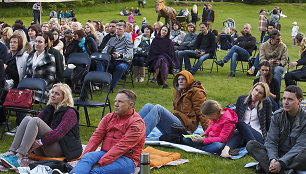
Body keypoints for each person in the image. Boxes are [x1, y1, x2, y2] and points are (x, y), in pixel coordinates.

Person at [0, 83, 82, 168]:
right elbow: (32, 125)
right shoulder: (50, 108)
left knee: (35, 120)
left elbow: (58, 133)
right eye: (52, 92)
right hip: (45, 147)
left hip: (63, 150)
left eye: (57, 94)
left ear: (64, 97)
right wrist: (33, 140)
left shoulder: (70, 112)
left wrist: (40, 142)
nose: (53, 95)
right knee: (28, 119)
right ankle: (11, 153)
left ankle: (19, 157)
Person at [70, 89, 145, 174]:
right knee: (87, 158)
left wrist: (100, 163)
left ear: (130, 105)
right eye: (115, 101)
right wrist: (84, 156)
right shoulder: (109, 117)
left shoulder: (137, 124)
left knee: (98, 171)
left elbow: (121, 147)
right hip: (105, 153)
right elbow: (96, 137)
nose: (116, 105)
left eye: (120, 102)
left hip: (127, 159)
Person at [246, 85, 306, 174]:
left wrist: (281, 163)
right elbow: (271, 141)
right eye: (284, 98)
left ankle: (266, 167)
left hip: (295, 156)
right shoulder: (277, 116)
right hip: (278, 153)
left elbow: (300, 146)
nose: (285, 102)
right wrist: (273, 159)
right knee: (251, 145)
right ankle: (283, 171)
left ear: (299, 101)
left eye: (290, 99)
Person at [139, 70, 209, 137]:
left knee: (158, 109)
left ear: (189, 80)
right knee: (148, 106)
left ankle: (139, 138)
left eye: (183, 79)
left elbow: (202, 114)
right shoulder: (179, 90)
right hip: (175, 124)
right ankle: (129, 129)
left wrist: (208, 133)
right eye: (179, 79)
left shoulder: (197, 92)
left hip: (185, 129)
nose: (180, 81)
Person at [221, 82, 272, 158]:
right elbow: (237, 117)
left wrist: (269, 140)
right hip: (241, 132)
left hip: (257, 135)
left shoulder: (266, 103)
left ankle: (254, 146)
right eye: (256, 90)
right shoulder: (241, 99)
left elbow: (269, 122)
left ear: (263, 96)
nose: (256, 93)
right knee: (240, 128)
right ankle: (225, 150)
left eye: (260, 93)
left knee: (240, 124)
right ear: (252, 89)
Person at [98, 22, 133, 90]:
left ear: (124, 30)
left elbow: (130, 56)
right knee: (100, 60)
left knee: (120, 67)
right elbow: (104, 51)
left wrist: (120, 55)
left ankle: (112, 86)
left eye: (120, 29)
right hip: (112, 60)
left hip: (123, 62)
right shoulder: (112, 39)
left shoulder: (128, 40)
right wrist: (108, 54)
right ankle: (101, 81)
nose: (117, 30)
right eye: (117, 28)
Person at [24, 33, 56, 103]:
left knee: (28, 96)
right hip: (28, 87)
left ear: (45, 44)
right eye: (36, 41)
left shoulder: (50, 57)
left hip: (42, 88)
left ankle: (27, 112)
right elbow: (27, 73)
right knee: (19, 95)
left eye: (40, 42)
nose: (37, 44)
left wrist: (38, 85)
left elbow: (51, 77)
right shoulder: (30, 56)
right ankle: (25, 113)